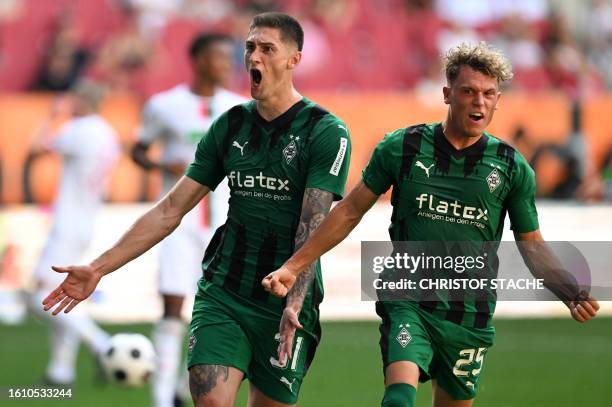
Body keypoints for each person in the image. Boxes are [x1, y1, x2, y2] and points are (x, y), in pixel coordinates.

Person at [262, 42, 600, 407]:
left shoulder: (511, 166)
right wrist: (294, 266)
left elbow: (531, 243)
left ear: (499, 99)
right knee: (399, 400)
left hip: (469, 313)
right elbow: (348, 211)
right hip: (409, 300)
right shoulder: (402, 147)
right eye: (468, 91)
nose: (479, 102)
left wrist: (570, 290)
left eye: (488, 94)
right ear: (447, 94)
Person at [43, 12, 351, 407]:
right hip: (224, 291)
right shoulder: (230, 126)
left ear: (294, 59)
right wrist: (99, 267)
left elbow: (314, 226)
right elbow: (171, 208)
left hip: (285, 301)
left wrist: (293, 302)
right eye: (250, 47)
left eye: (268, 49)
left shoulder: (324, 131)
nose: (254, 58)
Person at [130, 32, 246, 407]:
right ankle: (162, 399)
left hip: (223, 226)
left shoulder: (240, 108)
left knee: (213, 310)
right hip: (178, 226)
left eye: (229, 59)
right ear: (197, 60)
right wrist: (164, 164)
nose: (226, 65)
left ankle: (183, 389)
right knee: (173, 306)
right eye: (218, 58)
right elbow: (138, 150)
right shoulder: (165, 105)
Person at [31, 80, 119, 385]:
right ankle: (61, 369)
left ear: (82, 100)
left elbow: (36, 147)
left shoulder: (78, 130)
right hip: (87, 220)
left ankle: (103, 346)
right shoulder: (107, 133)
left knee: (40, 294)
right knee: (63, 290)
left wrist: (53, 116)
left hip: (67, 223)